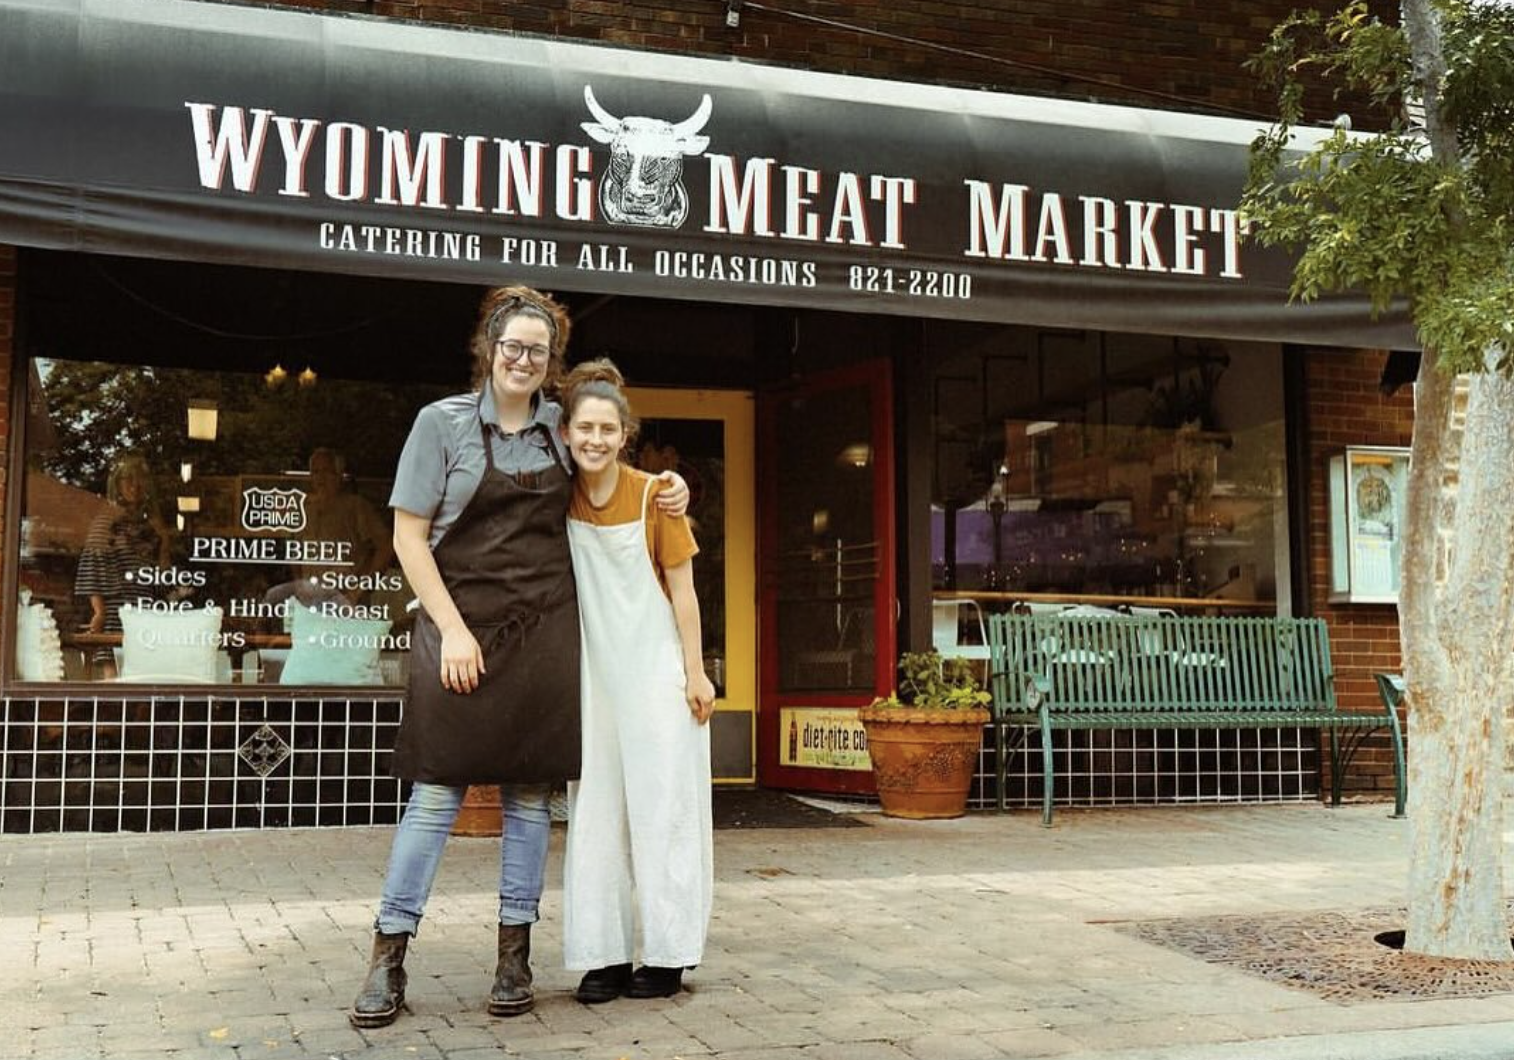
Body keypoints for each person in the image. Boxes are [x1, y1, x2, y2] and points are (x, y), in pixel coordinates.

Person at [349, 287, 687, 1029]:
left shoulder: (558, 431)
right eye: (513, 346)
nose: (523, 360)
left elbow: (610, 477)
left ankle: (514, 957)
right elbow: (409, 539)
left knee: (530, 802)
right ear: (489, 348)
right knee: (435, 797)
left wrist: (670, 487)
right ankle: (388, 955)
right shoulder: (439, 426)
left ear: (548, 362)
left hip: (541, 637)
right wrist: (456, 630)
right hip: (458, 634)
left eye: (537, 351)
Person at [558, 358, 715, 1004]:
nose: (595, 439)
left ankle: (670, 952)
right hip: (593, 677)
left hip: (656, 673)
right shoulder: (555, 495)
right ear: (566, 433)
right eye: (584, 428)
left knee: (665, 809)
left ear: (626, 434)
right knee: (594, 811)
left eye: (607, 429)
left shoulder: (656, 496)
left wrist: (697, 672)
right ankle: (603, 955)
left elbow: (684, 593)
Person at [74, 453, 173, 677]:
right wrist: (99, 610)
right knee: (115, 679)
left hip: (148, 612)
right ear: (117, 484)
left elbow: (164, 576)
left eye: (139, 480)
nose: (134, 486)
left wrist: (165, 541)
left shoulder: (150, 525)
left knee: (146, 681)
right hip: (116, 612)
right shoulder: (107, 519)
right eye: (128, 479)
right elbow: (93, 563)